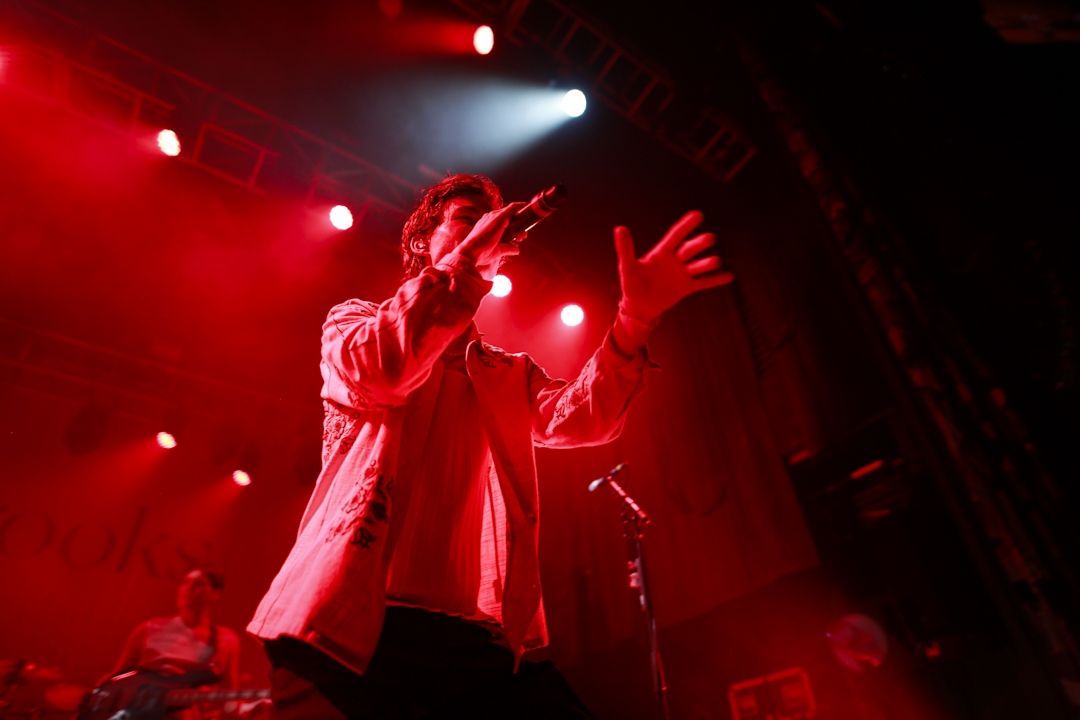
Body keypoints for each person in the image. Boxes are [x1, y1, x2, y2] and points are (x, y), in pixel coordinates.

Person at [247, 174, 733, 718]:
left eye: (491, 220)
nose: (486, 227)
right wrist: (467, 262)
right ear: (421, 241)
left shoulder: (506, 371)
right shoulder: (353, 321)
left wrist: (633, 321)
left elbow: (583, 421)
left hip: (461, 640)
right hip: (344, 624)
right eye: (466, 218)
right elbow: (386, 369)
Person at [103, 567, 241, 718]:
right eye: (185, 582)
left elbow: (230, 697)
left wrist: (243, 709)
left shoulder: (226, 639)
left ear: (215, 594)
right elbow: (117, 679)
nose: (188, 588)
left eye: (198, 584)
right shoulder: (149, 629)